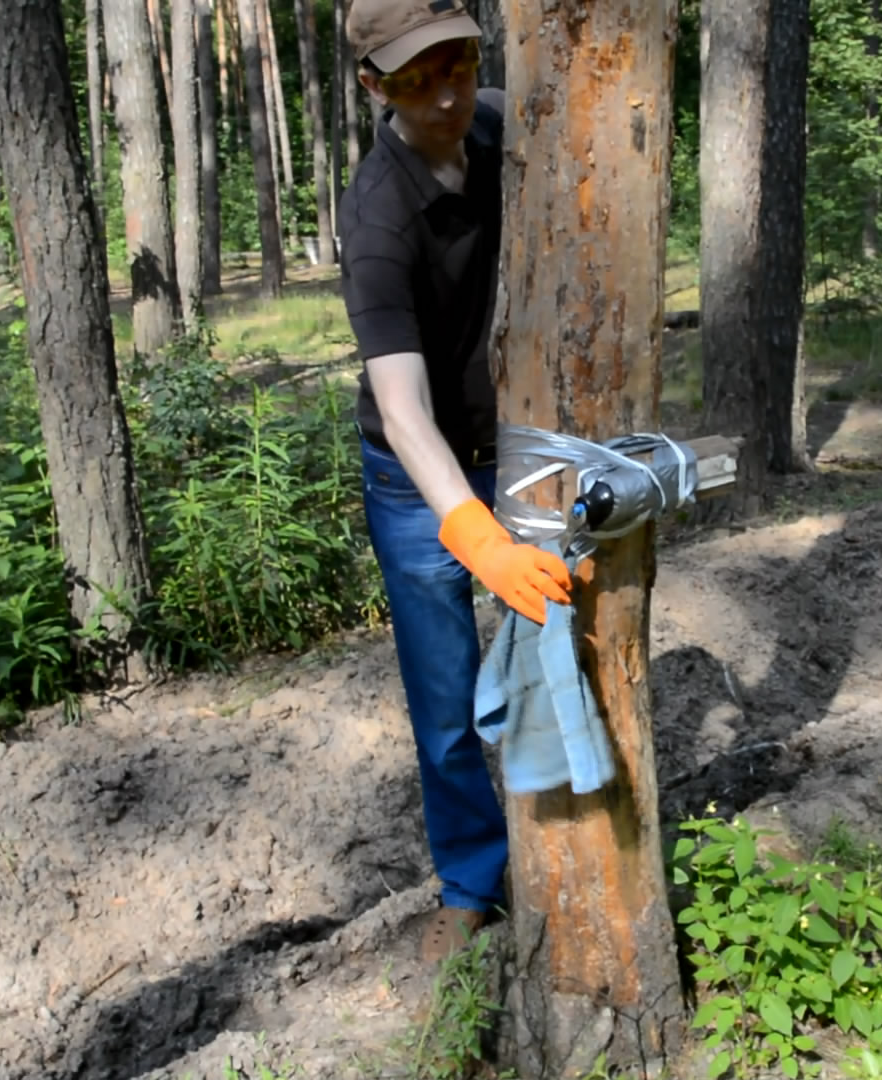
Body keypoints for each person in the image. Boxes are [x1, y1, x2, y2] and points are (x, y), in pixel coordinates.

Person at [339, 0, 573, 967]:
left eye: (459, 63)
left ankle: (566, 840)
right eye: (415, 78)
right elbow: (403, 412)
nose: (446, 95)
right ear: (375, 86)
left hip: (516, 444)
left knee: (556, 647)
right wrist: (475, 536)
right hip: (415, 478)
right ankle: (472, 882)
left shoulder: (499, 121)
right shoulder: (377, 218)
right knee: (443, 697)